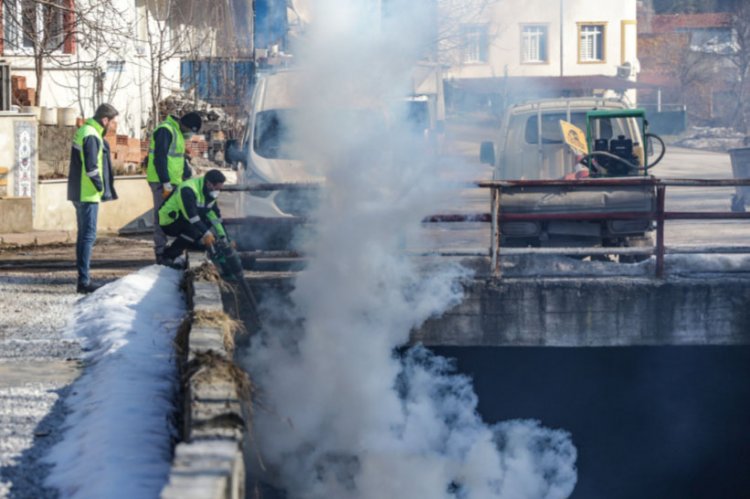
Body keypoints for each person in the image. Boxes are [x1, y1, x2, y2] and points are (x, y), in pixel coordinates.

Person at [67, 103, 119, 294]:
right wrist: (100, 186)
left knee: (84, 237)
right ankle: (84, 281)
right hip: (86, 193)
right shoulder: (91, 134)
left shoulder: (87, 130)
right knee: (87, 237)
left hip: (81, 192)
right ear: (105, 120)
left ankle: (84, 279)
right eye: (113, 122)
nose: (114, 126)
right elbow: (91, 167)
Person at [146, 111, 202, 264]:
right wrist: (165, 182)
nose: (190, 134)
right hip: (161, 182)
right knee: (162, 216)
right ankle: (161, 252)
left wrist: (187, 174)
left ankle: (172, 251)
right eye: (191, 130)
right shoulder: (166, 130)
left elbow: (178, 157)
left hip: (174, 182)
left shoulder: (177, 132)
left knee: (178, 215)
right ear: (186, 125)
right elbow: (160, 157)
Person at [158, 169, 227, 266]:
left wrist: (223, 236)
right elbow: (192, 217)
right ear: (209, 183)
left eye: (220, 189)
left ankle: (193, 243)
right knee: (195, 231)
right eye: (216, 188)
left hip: (186, 219)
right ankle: (168, 256)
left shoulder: (210, 192)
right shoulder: (188, 189)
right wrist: (207, 233)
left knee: (204, 229)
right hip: (169, 220)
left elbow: (214, 215)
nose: (217, 192)